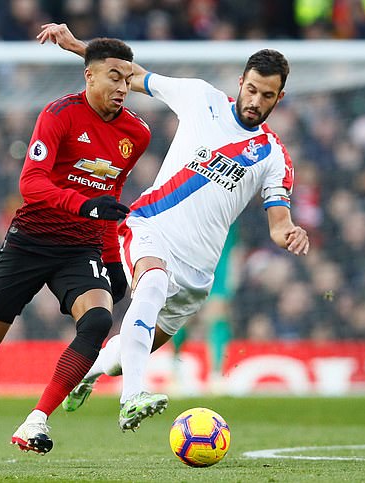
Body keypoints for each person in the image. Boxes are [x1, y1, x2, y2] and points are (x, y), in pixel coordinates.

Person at [38, 23, 310, 432]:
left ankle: (92, 372)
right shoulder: (201, 97)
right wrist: (79, 46)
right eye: (251, 89)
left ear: (279, 97)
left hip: (200, 271)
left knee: (138, 345)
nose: (255, 101)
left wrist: (290, 233)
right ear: (241, 82)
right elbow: (132, 74)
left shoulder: (274, 157)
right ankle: (132, 398)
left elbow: (278, 222)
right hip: (150, 227)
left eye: (267, 95)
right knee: (149, 286)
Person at [0, 37, 151, 455]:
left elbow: (109, 199)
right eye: (114, 77)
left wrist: (112, 260)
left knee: (96, 323)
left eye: (128, 79)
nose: (122, 87)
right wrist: (84, 205)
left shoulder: (137, 132)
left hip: (80, 249)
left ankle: (35, 420)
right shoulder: (59, 114)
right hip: (30, 243)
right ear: (88, 75)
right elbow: (31, 183)